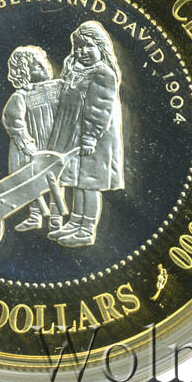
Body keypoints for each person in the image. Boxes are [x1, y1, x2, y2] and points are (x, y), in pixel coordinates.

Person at [47, 21, 124, 247]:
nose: (82, 51)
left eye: (89, 46)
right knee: (77, 181)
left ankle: (87, 229)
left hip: (94, 139)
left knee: (89, 183)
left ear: (101, 47)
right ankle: (75, 222)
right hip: (74, 135)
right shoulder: (76, 69)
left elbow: (99, 108)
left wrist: (90, 136)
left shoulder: (103, 73)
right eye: (78, 47)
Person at [2, 46, 63, 233]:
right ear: (24, 73)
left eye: (44, 62)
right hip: (34, 146)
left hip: (55, 143)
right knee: (32, 181)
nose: (45, 67)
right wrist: (25, 142)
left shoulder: (59, 87)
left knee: (57, 179)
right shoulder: (21, 96)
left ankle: (56, 218)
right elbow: (13, 120)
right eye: (37, 66)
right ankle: (35, 215)